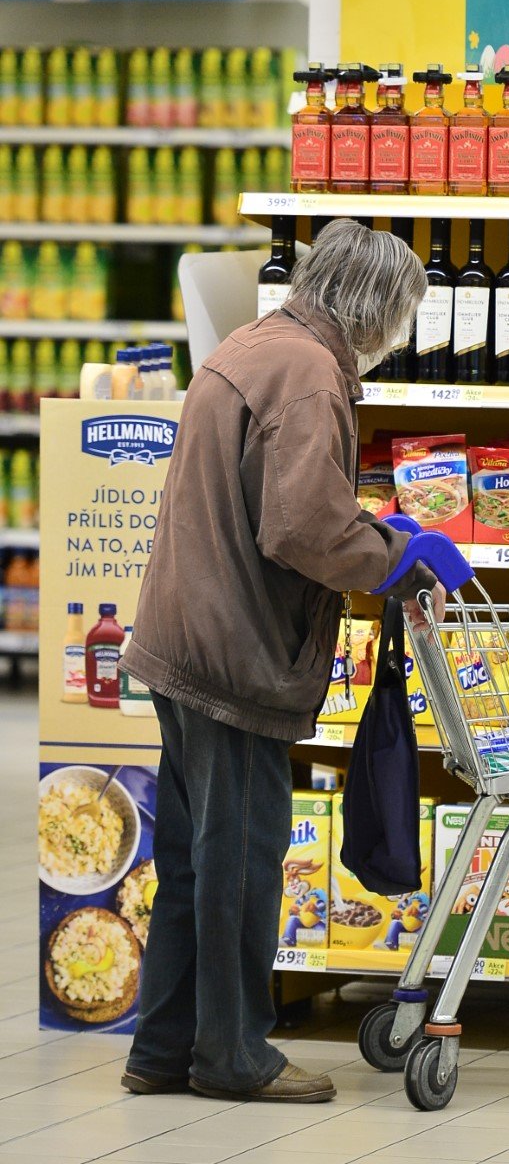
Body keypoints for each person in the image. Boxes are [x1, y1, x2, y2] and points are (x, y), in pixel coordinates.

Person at [120, 220, 439, 1104]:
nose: (400, 337)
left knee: (191, 856)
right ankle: (232, 1056)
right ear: (375, 308)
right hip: (234, 658)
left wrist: (374, 537)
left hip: (185, 638)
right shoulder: (307, 376)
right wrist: (394, 561)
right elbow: (300, 528)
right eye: (403, 315)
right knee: (244, 858)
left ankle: (162, 1047)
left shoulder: (257, 345)